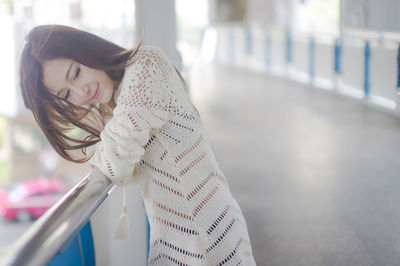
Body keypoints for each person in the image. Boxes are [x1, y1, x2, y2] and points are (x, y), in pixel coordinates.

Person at [20, 24, 256, 265]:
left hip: (206, 233)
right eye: (67, 95)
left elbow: (117, 167)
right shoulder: (113, 103)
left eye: (77, 73)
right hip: (187, 234)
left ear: (86, 49)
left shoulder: (144, 67)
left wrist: (96, 150)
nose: (81, 91)